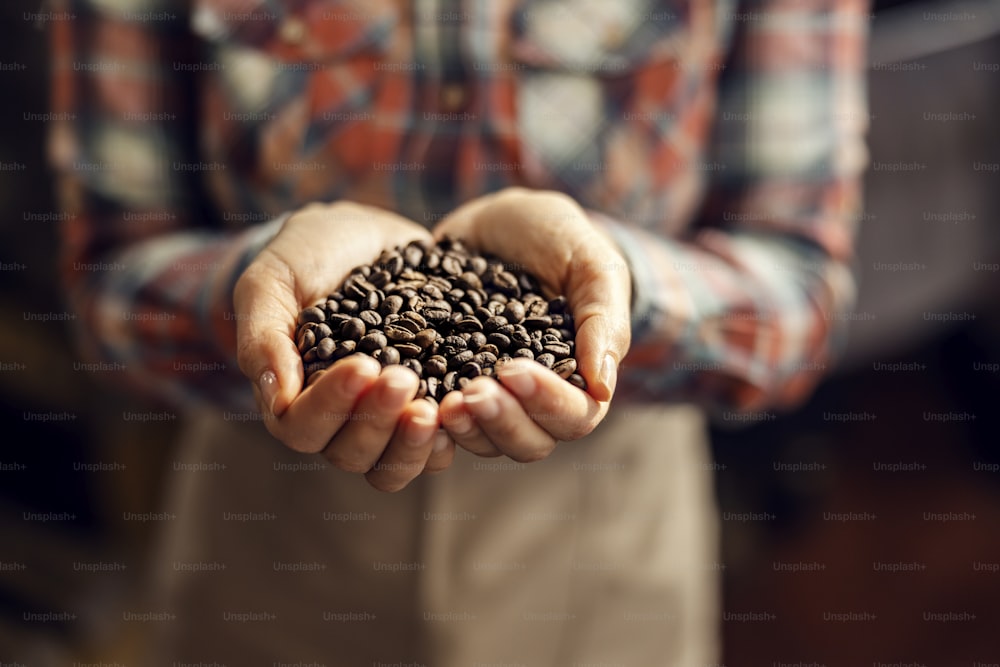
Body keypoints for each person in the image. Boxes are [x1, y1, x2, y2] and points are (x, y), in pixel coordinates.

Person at [50, 0, 869, 664]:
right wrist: (256, 287)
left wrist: (612, 287)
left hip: (606, 546)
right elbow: (106, 284)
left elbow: (798, 293)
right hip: (268, 539)